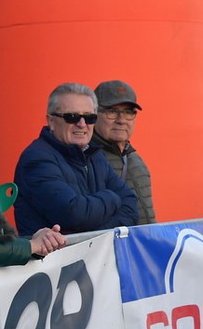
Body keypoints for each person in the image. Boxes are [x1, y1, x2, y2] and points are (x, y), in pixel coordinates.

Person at [14, 82, 139, 236]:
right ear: (51, 121)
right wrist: (112, 198)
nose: (82, 124)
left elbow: (131, 207)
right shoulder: (36, 159)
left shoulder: (95, 156)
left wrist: (95, 236)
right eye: (72, 117)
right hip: (57, 253)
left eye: (89, 117)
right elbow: (74, 215)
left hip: (95, 251)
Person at [92, 80, 156, 225]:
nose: (121, 120)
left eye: (128, 112)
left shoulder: (136, 159)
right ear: (94, 114)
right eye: (112, 111)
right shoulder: (85, 161)